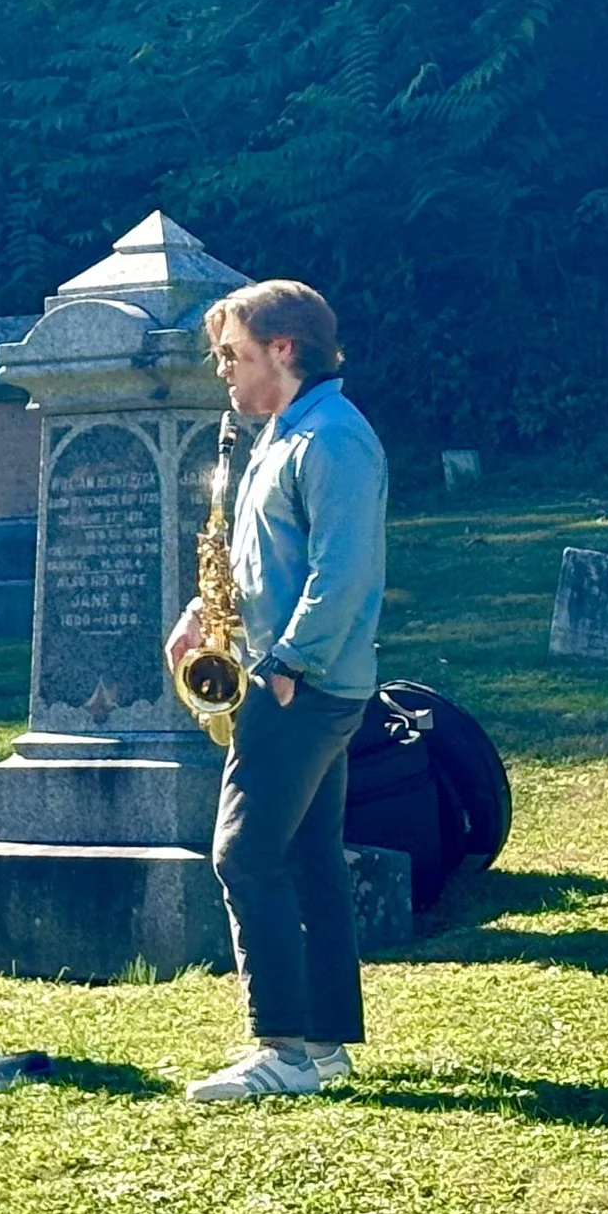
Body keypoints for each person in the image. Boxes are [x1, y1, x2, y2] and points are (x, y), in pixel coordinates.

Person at [168, 280, 388, 1103]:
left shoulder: (332, 439)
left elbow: (344, 569)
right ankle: (325, 1045)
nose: (225, 372)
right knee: (309, 856)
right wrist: (200, 614)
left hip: (304, 683)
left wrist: (287, 665)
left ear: (285, 351)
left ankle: (283, 1047)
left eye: (235, 355)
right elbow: (256, 563)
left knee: (243, 853)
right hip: (293, 674)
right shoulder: (279, 435)